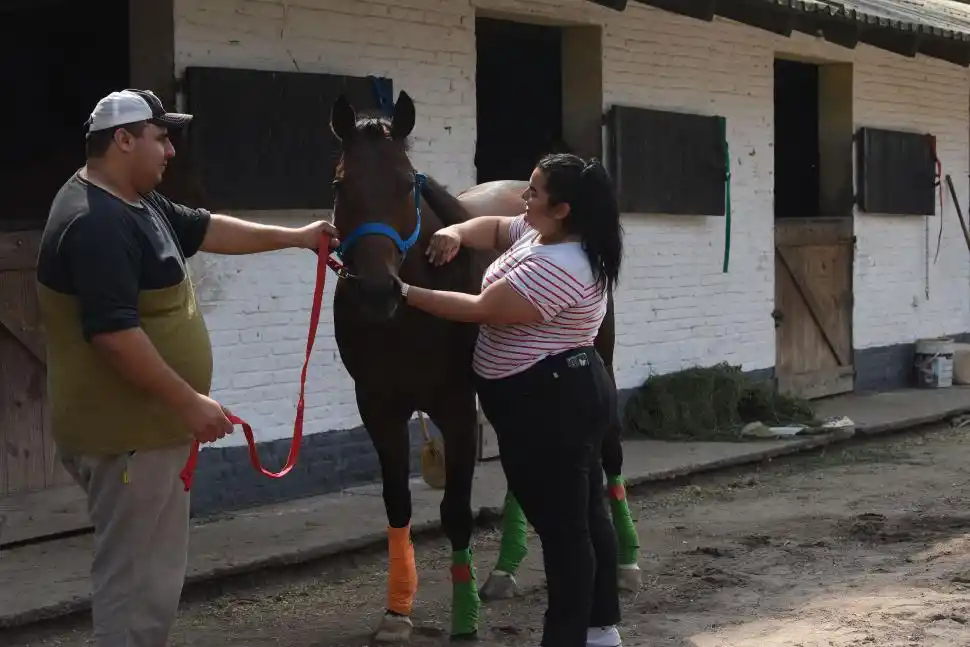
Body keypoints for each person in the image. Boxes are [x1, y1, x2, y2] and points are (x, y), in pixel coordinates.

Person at [35, 88, 339, 647]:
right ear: (123, 140)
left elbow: (206, 229)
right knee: (134, 580)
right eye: (161, 137)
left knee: (152, 575)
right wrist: (188, 402)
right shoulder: (96, 222)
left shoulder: (135, 200)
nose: (170, 150)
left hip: (151, 434)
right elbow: (113, 336)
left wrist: (295, 238)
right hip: (129, 437)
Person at [400, 153, 624, 647]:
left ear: (563, 208)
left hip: (552, 406)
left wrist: (404, 292)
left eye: (535, 192)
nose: (524, 200)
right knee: (584, 518)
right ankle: (602, 631)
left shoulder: (562, 264)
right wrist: (458, 233)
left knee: (565, 533)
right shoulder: (544, 234)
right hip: (554, 396)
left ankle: (569, 637)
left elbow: (482, 309)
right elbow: (499, 227)